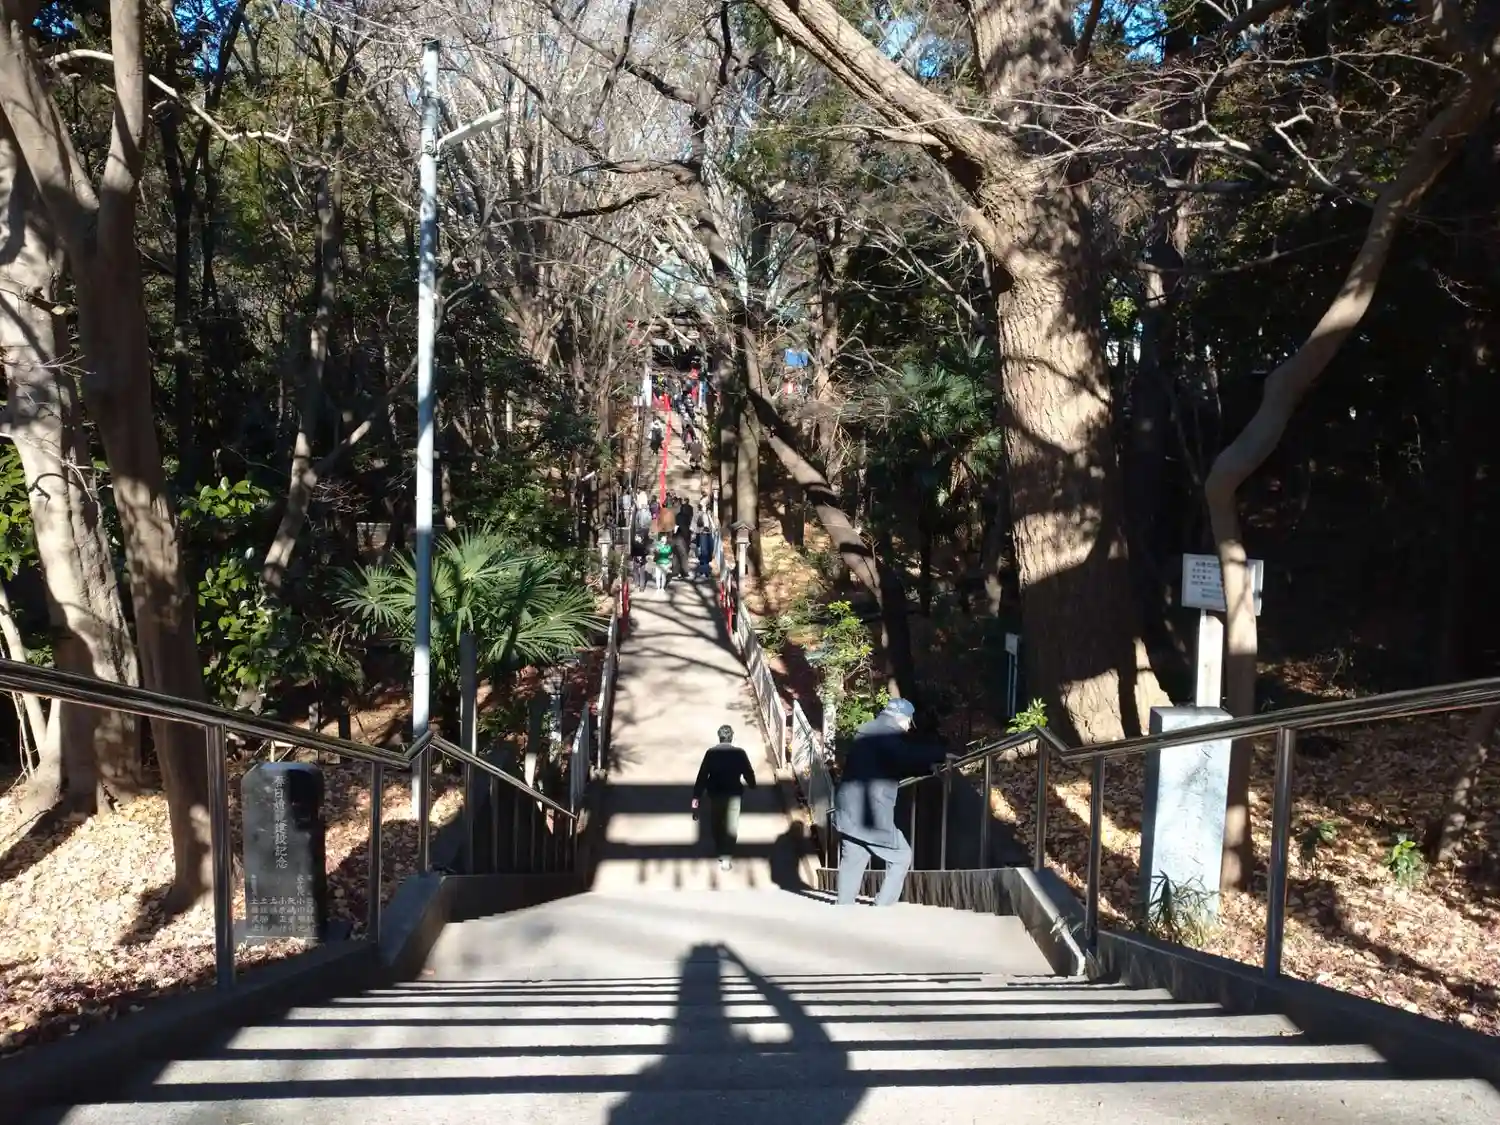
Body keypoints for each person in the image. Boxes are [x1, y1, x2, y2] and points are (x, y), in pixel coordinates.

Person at [833, 698, 956, 906]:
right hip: (869, 812)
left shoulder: (868, 731)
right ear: (900, 717)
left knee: (855, 857)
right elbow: (904, 755)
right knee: (901, 855)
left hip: (848, 809)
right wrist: (940, 754)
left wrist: (927, 768)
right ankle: (882, 907)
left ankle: (843, 909)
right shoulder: (885, 734)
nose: (908, 727)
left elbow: (892, 764)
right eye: (908, 721)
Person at [692, 724, 757, 871]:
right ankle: (726, 857)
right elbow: (748, 771)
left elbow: (702, 775)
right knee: (731, 826)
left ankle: (720, 848)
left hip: (715, 794)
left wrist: (696, 796)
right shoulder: (740, 753)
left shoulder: (711, 753)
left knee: (716, 823)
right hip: (734, 794)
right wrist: (752, 784)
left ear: (719, 737)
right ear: (731, 737)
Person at [673, 499, 695, 579]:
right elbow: (689, 525)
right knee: (684, 555)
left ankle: (676, 571)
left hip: (677, 535)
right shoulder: (687, 517)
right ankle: (684, 571)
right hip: (685, 536)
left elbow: (675, 525)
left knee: (676, 554)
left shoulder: (677, 516)